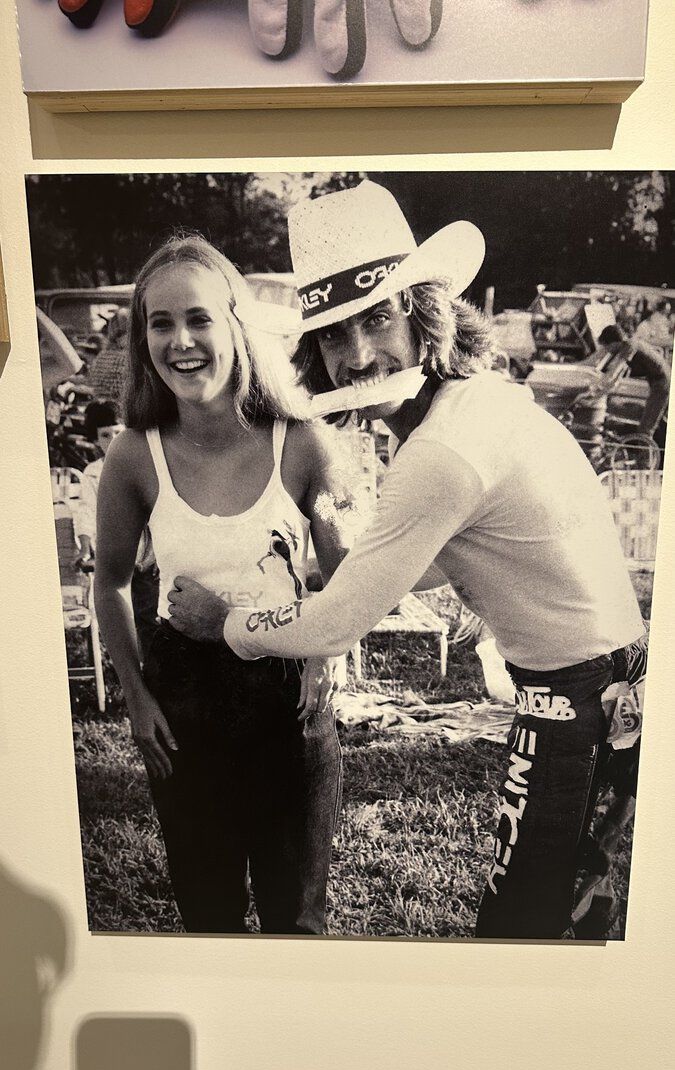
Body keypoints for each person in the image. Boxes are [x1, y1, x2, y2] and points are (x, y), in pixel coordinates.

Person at [168, 182, 650, 941]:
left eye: (378, 319)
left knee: (522, 934)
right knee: (570, 917)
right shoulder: (471, 404)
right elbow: (421, 559)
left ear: (426, 315)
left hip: (579, 701)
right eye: (334, 335)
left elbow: (338, 626)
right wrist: (321, 575)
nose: (358, 357)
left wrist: (223, 621)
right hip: (600, 685)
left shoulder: (440, 453)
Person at [94, 234, 352, 936]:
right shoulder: (133, 455)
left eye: (199, 318)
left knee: (296, 918)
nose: (181, 342)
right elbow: (110, 582)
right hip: (185, 704)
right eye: (161, 323)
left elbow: (347, 573)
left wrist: (325, 653)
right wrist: (136, 697)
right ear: (143, 339)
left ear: (237, 324)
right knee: (208, 916)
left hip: (287, 698)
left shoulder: (302, 441)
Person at [75, 398, 160, 663]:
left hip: (147, 556)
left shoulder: (143, 465)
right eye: (104, 435)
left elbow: (157, 509)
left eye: (117, 432)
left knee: (151, 615)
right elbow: (86, 511)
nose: (112, 440)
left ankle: (154, 668)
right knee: (121, 616)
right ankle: (129, 666)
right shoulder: (93, 473)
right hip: (115, 558)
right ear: (94, 439)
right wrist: (85, 545)